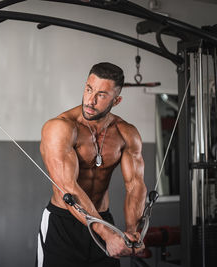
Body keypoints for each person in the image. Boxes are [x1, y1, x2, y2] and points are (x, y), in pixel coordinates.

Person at [37, 62, 147, 267]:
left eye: (102, 95)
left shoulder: (126, 133)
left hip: (104, 218)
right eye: (89, 89)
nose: (90, 100)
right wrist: (107, 235)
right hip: (63, 224)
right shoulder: (61, 127)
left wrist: (133, 231)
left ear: (117, 100)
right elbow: (67, 188)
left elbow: (135, 185)